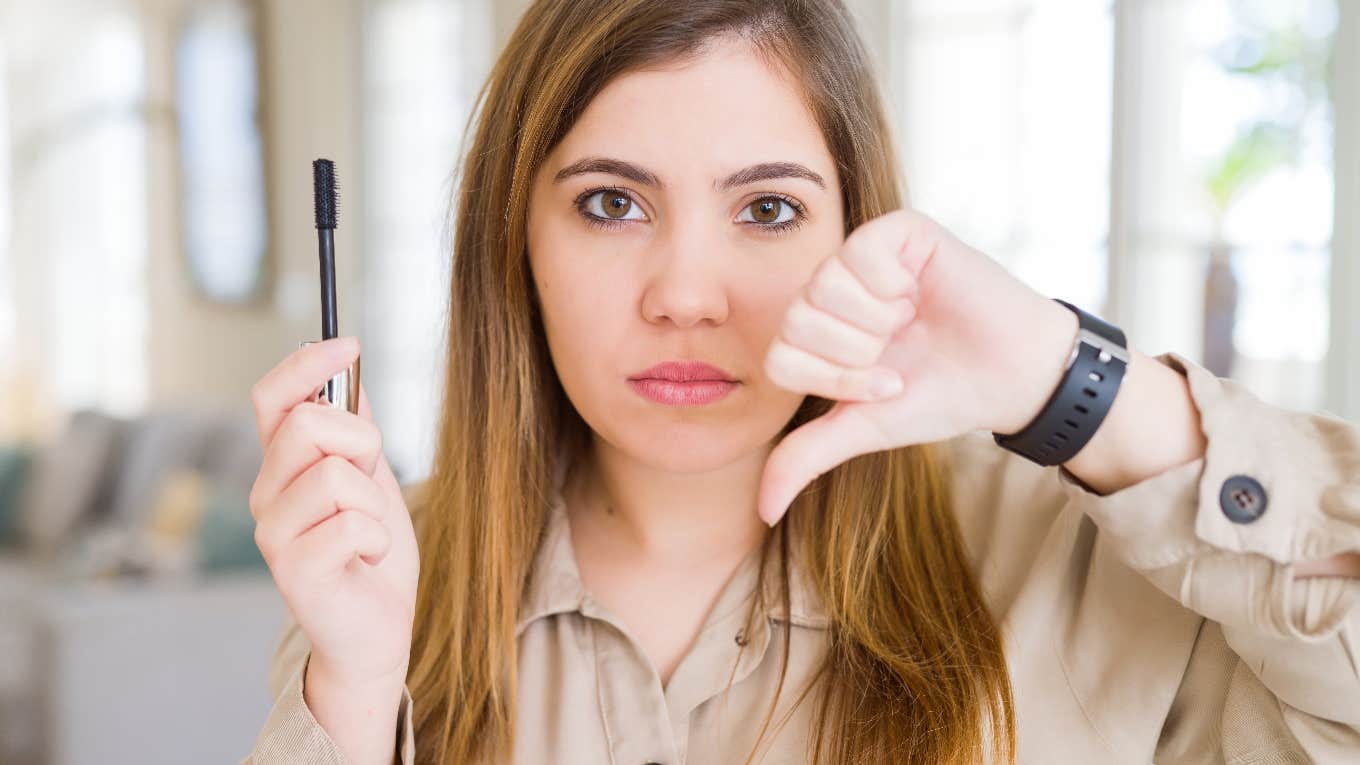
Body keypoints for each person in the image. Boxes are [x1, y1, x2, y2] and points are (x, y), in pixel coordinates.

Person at [241, 1, 1360, 763]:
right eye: (611, 203)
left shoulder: (1069, 568)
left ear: (855, 227)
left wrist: (1076, 386)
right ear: (514, 246)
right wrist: (355, 690)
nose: (686, 294)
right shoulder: (388, 577)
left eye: (766, 208)